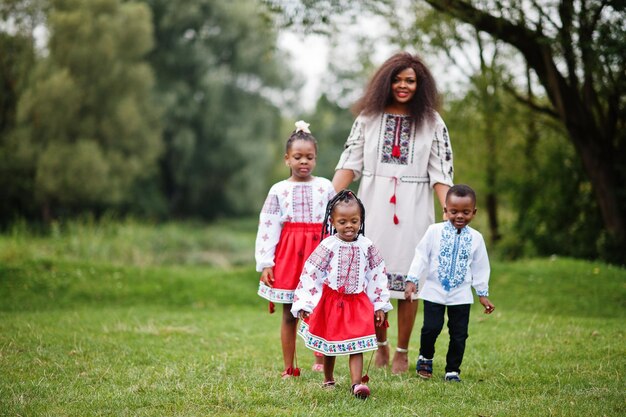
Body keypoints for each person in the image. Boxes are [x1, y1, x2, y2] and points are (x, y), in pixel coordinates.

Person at [332, 51, 454, 373]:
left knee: (409, 284)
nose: (403, 86)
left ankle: (402, 351)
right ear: (386, 82)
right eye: (397, 80)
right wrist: (328, 199)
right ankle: (381, 345)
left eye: (410, 81)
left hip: (414, 208)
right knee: (374, 281)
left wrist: (449, 210)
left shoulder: (432, 122)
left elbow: (441, 174)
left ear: (420, 85)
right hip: (372, 205)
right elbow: (349, 164)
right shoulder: (368, 118)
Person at [291, 190, 392, 399]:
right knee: (330, 344)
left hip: (358, 302)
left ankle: (356, 385)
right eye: (343, 221)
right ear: (333, 221)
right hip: (332, 301)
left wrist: (380, 305)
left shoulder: (367, 246)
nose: (349, 226)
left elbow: (377, 275)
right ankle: (328, 378)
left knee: (358, 343)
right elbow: (311, 273)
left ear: (361, 220)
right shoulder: (328, 245)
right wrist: (305, 303)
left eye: (354, 221)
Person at [255, 120, 336, 378]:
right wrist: (266, 262)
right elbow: (267, 226)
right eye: (298, 157)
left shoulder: (325, 186)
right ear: (287, 159)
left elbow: (335, 222)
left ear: (316, 158)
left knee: (320, 307)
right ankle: (289, 367)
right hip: (289, 254)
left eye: (309, 157)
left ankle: (321, 359)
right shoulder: (278, 190)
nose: (304, 162)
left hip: (319, 253)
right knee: (290, 313)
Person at [404, 184, 495, 382]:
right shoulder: (434, 231)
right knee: (431, 328)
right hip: (434, 290)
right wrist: (412, 280)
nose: (459, 216)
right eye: (454, 211)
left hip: (461, 294)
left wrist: (482, 293)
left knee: (459, 334)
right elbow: (421, 256)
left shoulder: (476, 239)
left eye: (465, 212)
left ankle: (452, 370)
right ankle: (425, 358)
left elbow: (481, 267)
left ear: (474, 212)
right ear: (445, 210)